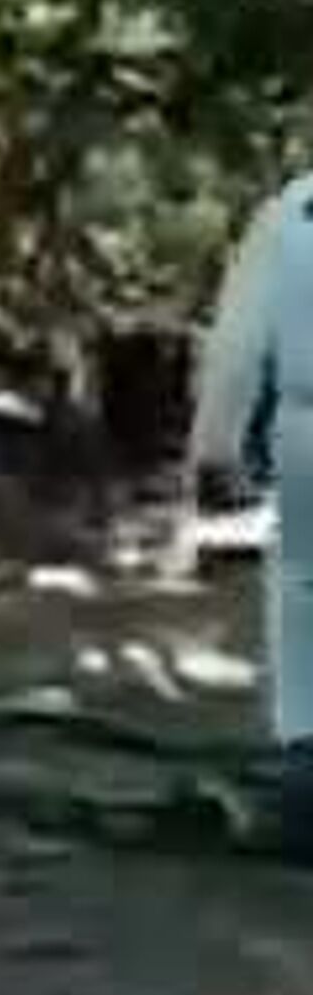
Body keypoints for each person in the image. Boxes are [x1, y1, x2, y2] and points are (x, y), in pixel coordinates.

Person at [189, 173, 313, 850]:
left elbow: (238, 345)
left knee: (303, 607)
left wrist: (216, 447)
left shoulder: (294, 210)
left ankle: (304, 786)